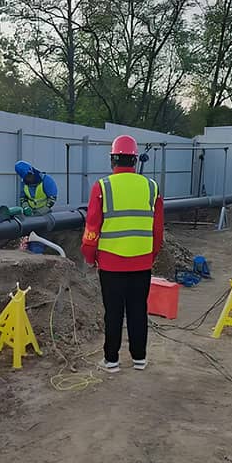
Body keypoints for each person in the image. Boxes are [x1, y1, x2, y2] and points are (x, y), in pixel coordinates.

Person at [80, 135, 164, 372]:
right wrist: (151, 255)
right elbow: (157, 231)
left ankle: (112, 361)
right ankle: (139, 358)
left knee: (113, 313)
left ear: (113, 160)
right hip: (142, 264)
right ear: (135, 160)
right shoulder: (151, 187)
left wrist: (89, 256)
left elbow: (92, 229)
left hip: (110, 266)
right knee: (138, 311)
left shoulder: (102, 187)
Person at [15, 161, 58, 253]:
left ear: (32, 171)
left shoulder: (46, 180)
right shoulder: (24, 183)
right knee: (26, 240)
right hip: (29, 215)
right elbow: (23, 197)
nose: (29, 179)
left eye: (29, 176)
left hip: (44, 215)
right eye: (26, 177)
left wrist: (42, 211)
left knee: (38, 240)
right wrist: (26, 207)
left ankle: (38, 256)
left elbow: (52, 198)